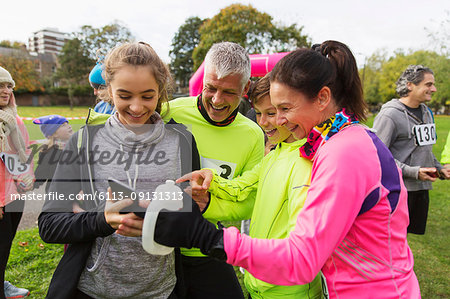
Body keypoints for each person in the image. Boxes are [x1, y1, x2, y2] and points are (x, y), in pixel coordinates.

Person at [153, 41, 421, 299]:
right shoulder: (339, 141)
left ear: (322, 98)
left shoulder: (344, 151)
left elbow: (302, 258)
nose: (277, 121)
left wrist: (206, 236)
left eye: (284, 108)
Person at [38, 42, 199, 298]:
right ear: (109, 91)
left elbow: (191, 221)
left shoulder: (181, 142)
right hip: (92, 290)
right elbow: (49, 225)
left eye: (148, 96)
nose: (136, 107)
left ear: (161, 91)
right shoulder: (83, 142)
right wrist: (102, 219)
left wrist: (168, 219)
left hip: (161, 290)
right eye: (125, 96)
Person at [191, 74, 323, 298]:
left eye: (270, 113)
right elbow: (240, 187)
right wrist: (210, 178)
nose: (262, 122)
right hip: (259, 282)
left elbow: (301, 246)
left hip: (288, 291)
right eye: (259, 113)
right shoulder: (274, 153)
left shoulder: (306, 163)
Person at [161, 41, 264, 299]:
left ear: (246, 88)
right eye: (211, 88)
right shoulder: (169, 112)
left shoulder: (252, 135)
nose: (217, 100)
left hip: (205, 248)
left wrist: (207, 206)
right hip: (158, 252)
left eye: (229, 92)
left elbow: (250, 202)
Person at [373, 65, 450, 235]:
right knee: (389, 239)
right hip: (397, 190)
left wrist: (439, 169)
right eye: (428, 84)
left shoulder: (427, 112)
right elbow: (378, 157)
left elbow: (425, 149)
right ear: (410, 85)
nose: (434, 89)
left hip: (421, 189)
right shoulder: (389, 115)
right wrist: (413, 172)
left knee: (405, 240)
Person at [0, 66, 34, 299]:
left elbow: (26, 152)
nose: (6, 90)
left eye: (9, 85)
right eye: (1, 85)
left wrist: (28, 177)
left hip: (16, 195)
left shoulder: (15, 118)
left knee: (4, 248)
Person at [32, 115, 73, 193]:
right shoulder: (49, 153)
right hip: (56, 195)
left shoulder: (75, 147)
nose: (69, 126)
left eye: (68, 123)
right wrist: (29, 185)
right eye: (63, 125)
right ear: (54, 134)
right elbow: (41, 174)